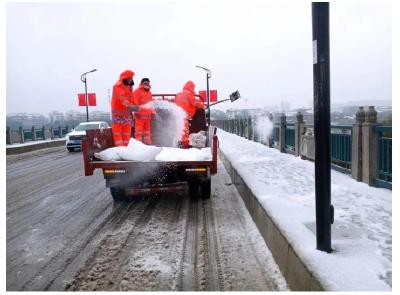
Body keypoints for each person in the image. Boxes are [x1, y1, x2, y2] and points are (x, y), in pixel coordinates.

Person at [174, 81, 205, 148]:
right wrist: (202, 106)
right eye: (193, 88)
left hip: (178, 115)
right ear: (190, 87)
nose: (194, 89)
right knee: (185, 131)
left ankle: (180, 143)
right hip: (185, 115)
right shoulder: (189, 94)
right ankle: (185, 146)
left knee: (180, 130)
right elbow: (195, 103)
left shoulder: (178, 94)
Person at [111, 70, 135, 146]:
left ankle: (125, 152)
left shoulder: (129, 88)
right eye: (130, 78)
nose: (131, 79)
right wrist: (131, 106)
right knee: (118, 136)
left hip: (127, 116)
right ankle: (120, 151)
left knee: (126, 136)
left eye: (132, 78)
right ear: (125, 78)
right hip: (118, 116)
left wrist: (136, 107)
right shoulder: (117, 86)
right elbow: (122, 99)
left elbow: (131, 100)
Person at [132, 78, 155, 145]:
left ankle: (147, 145)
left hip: (147, 117)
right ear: (142, 84)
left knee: (147, 133)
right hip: (139, 116)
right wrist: (136, 112)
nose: (147, 84)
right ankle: (138, 146)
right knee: (139, 133)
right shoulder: (137, 91)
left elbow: (150, 104)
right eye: (145, 83)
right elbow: (134, 102)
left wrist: (153, 112)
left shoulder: (149, 93)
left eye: (148, 83)